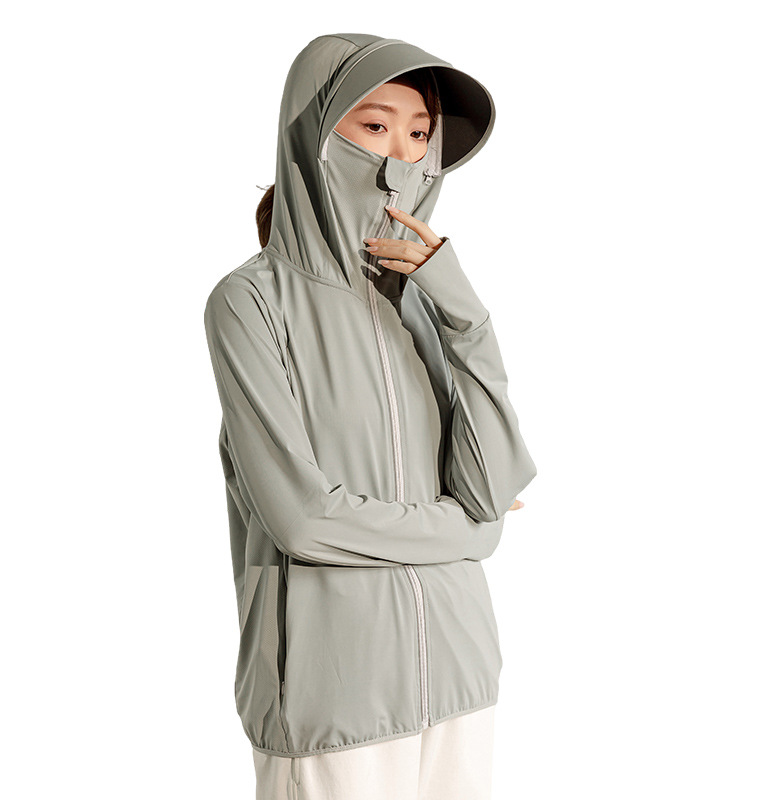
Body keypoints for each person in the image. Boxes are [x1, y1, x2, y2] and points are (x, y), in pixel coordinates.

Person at [204, 32, 537, 800]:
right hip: (333, 698)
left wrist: (462, 310)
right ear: (315, 137)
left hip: (460, 679)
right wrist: (466, 535)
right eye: (375, 126)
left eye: (420, 135)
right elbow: (304, 520)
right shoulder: (250, 303)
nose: (400, 159)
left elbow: (493, 483)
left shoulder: (422, 303)